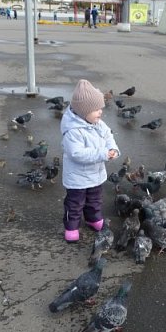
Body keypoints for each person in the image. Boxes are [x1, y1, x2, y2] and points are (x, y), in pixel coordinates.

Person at [60, 79, 120, 243]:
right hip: (77, 177)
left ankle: (93, 218)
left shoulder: (98, 123)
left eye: (100, 108)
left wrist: (113, 149)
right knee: (75, 203)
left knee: (95, 199)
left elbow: (109, 136)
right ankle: (71, 226)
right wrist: (103, 154)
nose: (100, 112)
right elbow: (77, 154)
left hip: (95, 174)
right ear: (82, 111)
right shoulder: (73, 131)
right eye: (96, 109)